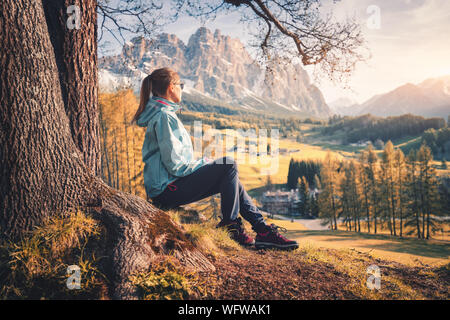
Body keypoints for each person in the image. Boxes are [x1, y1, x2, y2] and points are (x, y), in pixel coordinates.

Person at [132, 67, 298, 250]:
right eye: (181, 85)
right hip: (166, 190)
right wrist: (204, 164)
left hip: (167, 187)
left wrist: (204, 165)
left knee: (230, 176)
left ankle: (262, 230)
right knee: (228, 165)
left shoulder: (163, 114)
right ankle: (231, 226)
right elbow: (176, 165)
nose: (181, 89)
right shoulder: (164, 117)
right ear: (171, 87)